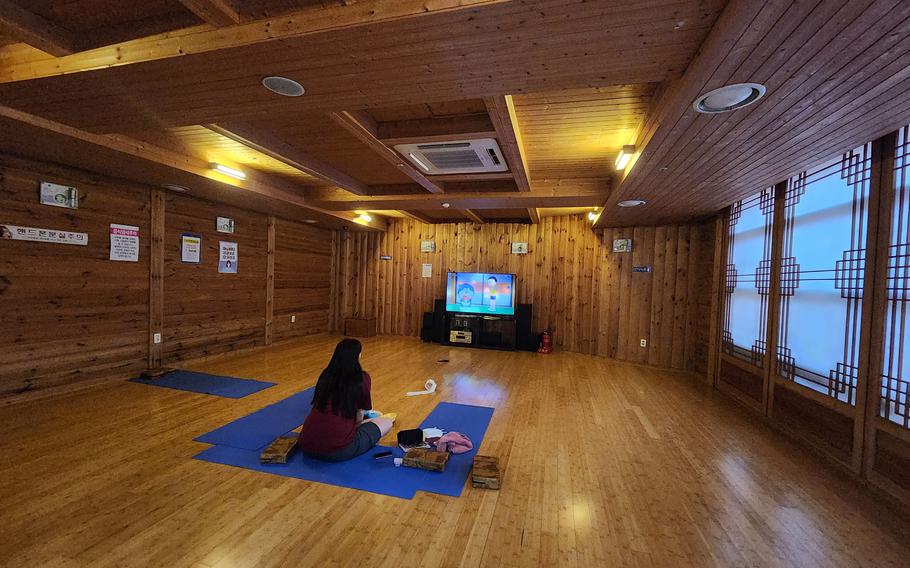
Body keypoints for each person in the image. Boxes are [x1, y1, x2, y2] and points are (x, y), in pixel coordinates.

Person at [297, 338, 393, 461]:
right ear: (358, 355)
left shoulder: (326, 376)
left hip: (306, 444)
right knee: (387, 422)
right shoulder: (361, 378)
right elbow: (359, 417)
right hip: (337, 451)